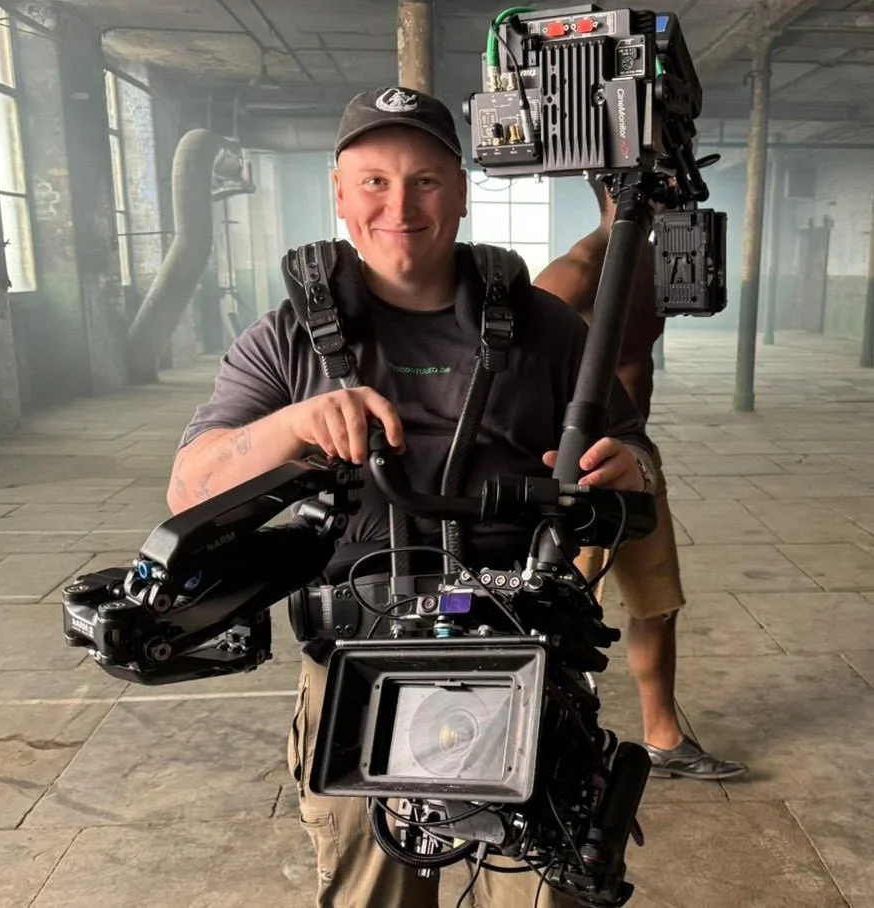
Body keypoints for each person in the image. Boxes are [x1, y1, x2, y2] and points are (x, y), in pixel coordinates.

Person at [167, 86, 657, 908]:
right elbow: (191, 484)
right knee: (373, 895)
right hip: (358, 662)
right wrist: (296, 423)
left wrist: (632, 470)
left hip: (526, 653)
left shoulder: (547, 328)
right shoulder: (285, 337)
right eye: (375, 182)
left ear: (462, 191)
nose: (400, 206)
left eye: (426, 181)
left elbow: (634, 447)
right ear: (338, 192)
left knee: (544, 892)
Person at [533, 176, 748, 781]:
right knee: (559, 610)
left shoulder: (666, 260)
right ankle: (548, 737)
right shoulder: (571, 273)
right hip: (578, 469)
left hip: (638, 460)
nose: (672, 196)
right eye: (656, 189)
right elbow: (512, 368)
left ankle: (664, 738)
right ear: (611, 189)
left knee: (658, 604)